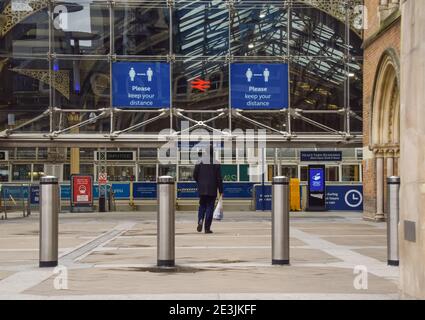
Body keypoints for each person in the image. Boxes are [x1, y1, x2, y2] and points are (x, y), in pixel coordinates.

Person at [193, 147, 223, 234]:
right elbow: (219, 178)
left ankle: (200, 220)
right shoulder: (216, 163)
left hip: (202, 188)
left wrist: (200, 182)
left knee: (202, 205)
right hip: (212, 189)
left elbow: (194, 174)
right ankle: (207, 228)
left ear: (205, 152)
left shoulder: (199, 161)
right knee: (210, 207)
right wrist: (221, 190)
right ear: (212, 152)